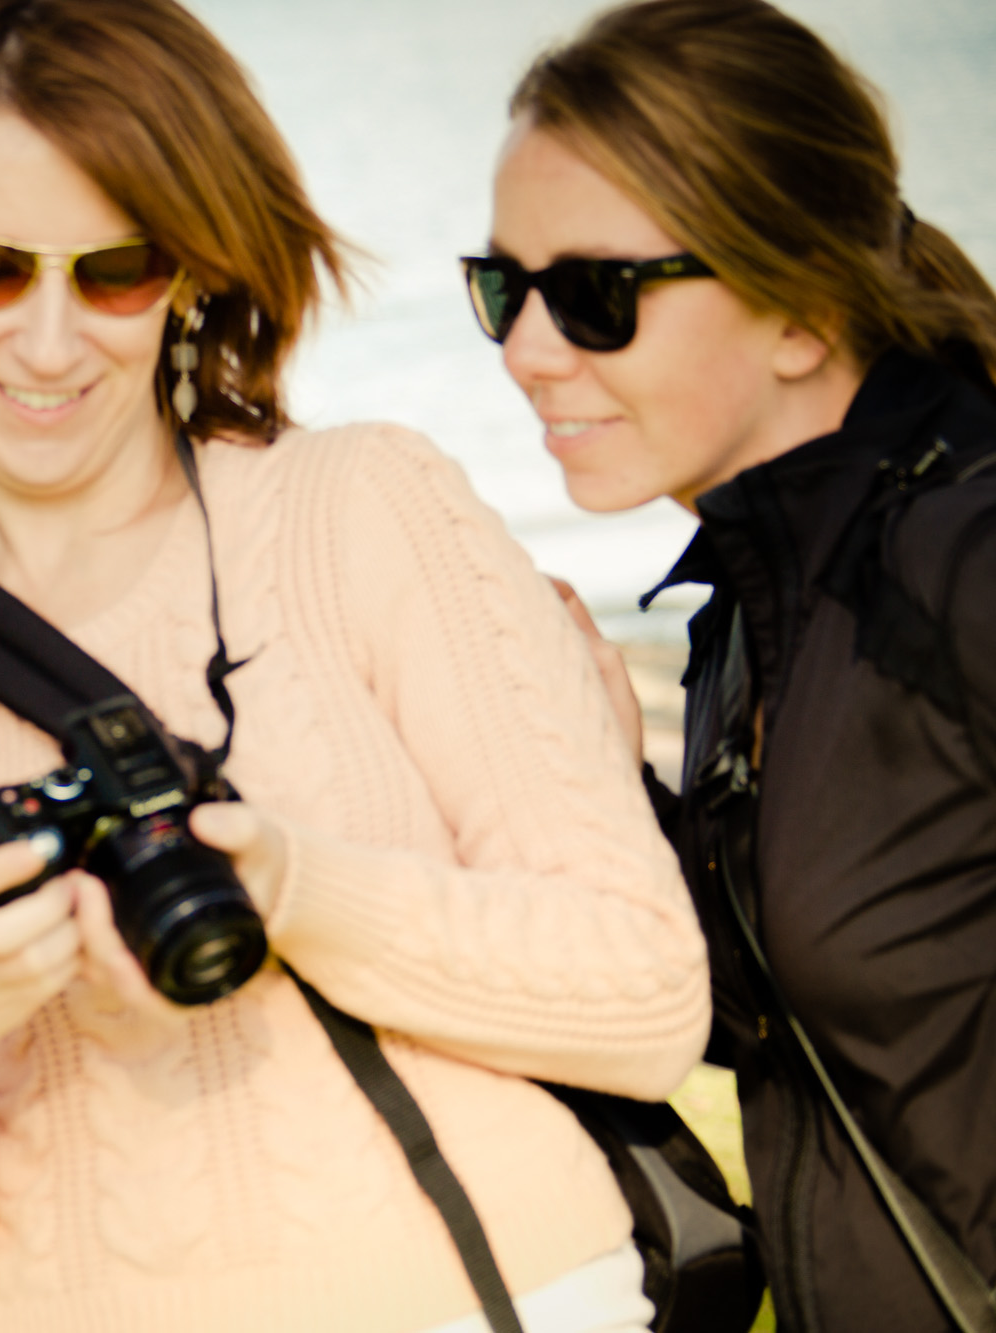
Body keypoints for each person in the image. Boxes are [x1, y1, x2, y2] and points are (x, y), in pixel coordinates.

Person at [0, 1, 710, 1330]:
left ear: (189, 274)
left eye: (116, 269)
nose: (49, 339)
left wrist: (297, 890)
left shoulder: (363, 506)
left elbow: (646, 996)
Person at [470, 2, 996, 1329]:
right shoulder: (756, 600)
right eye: (503, 289)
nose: (526, 352)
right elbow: (797, 1003)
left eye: (594, 297)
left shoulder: (965, 556)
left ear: (802, 311)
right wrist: (607, 782)